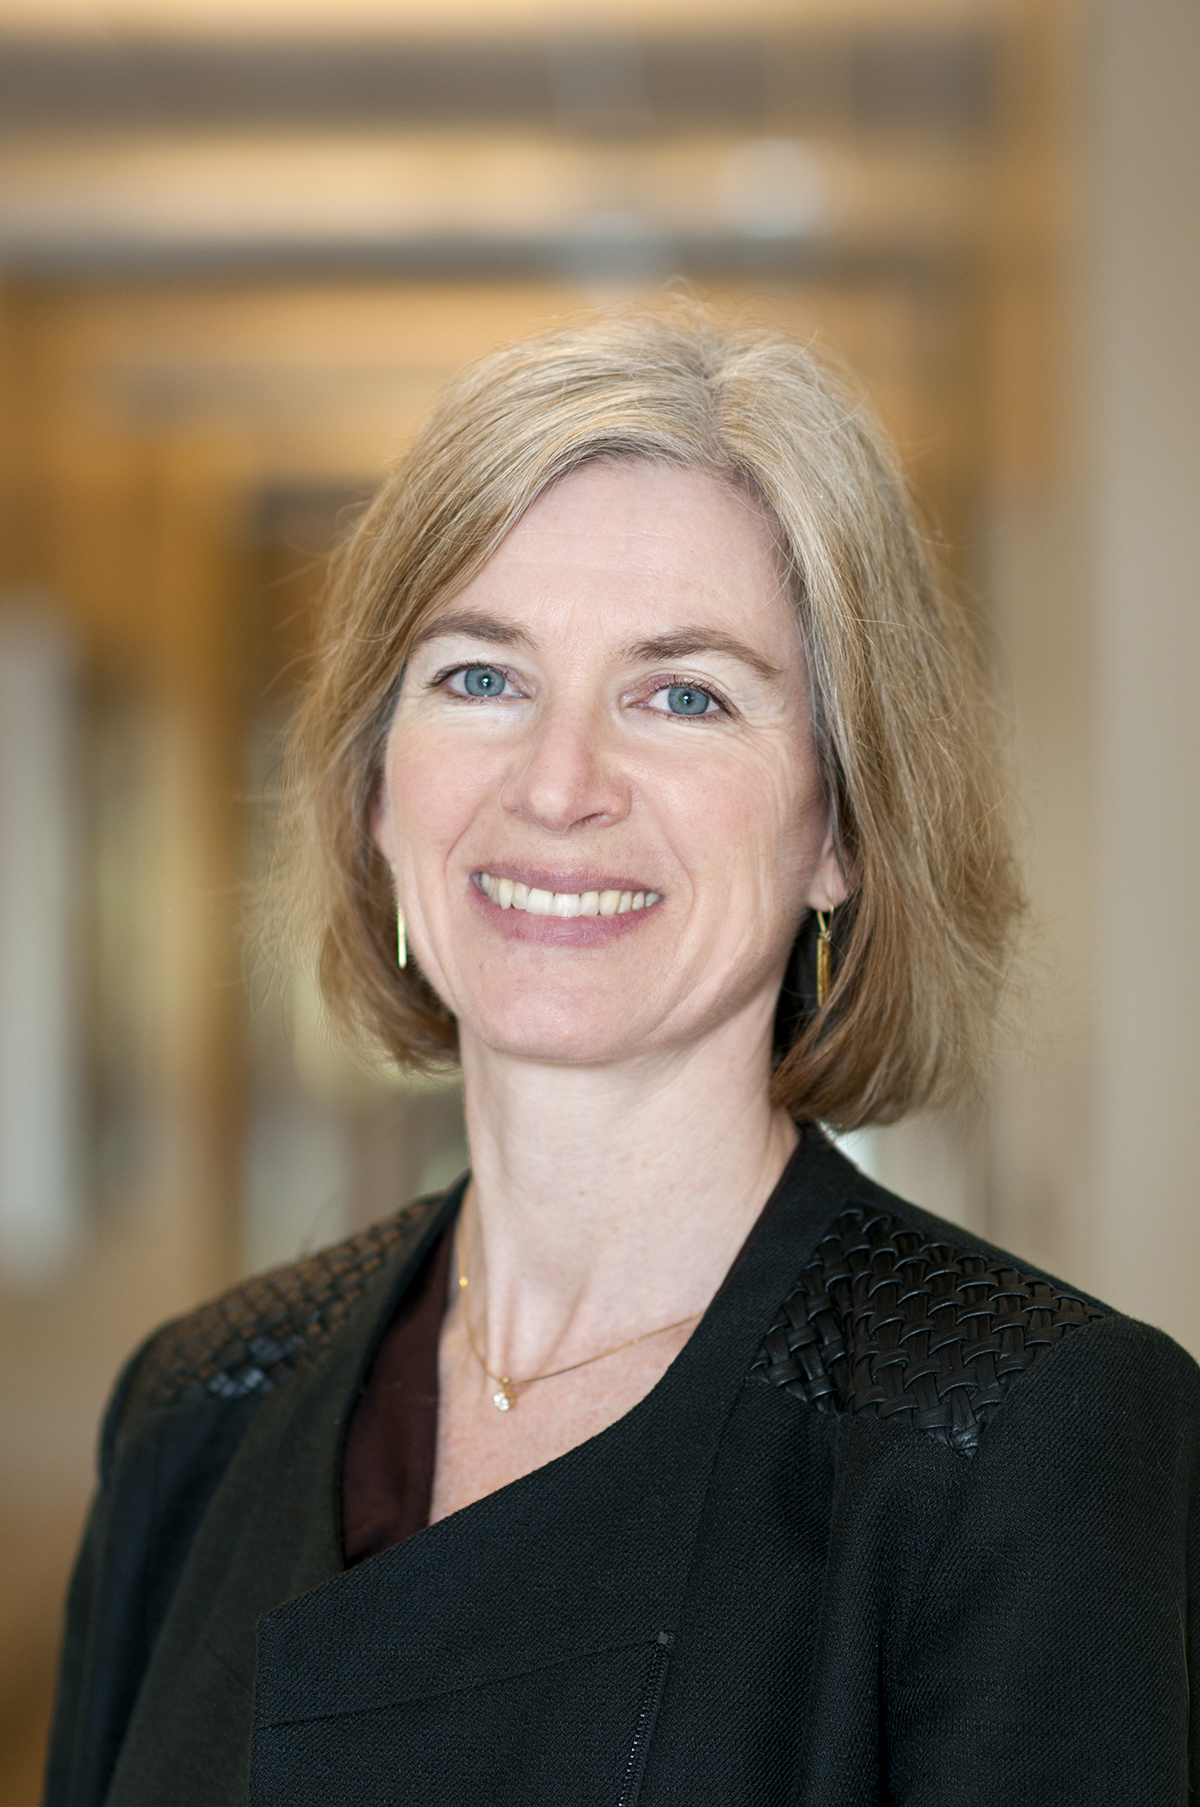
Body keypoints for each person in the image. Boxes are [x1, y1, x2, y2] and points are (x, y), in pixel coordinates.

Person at [46, 306, 1199, 1807]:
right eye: (480, 676)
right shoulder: (198, 1411)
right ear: (376, 790)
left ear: (841, 829)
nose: (559, 783)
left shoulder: (1025, 1436)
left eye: (683, 694)